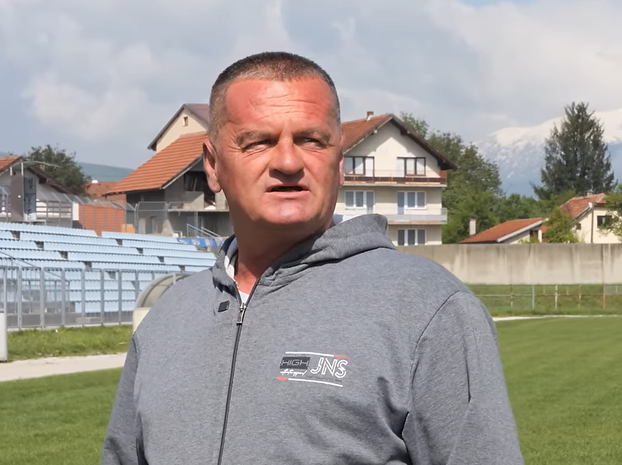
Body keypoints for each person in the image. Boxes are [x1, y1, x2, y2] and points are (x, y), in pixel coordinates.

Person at [102, 51, 524, 465]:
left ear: (339, 162)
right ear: (213, 166)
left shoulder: (428, 307)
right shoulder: (169, 317)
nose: (288, 162)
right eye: (259, 142)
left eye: (311, 140)